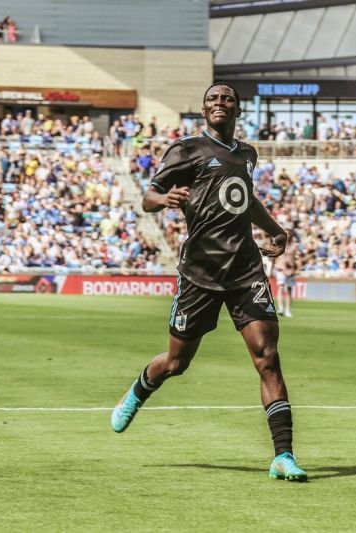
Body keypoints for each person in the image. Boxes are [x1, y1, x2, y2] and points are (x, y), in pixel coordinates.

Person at [110, 82, 307, 482]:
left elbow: (244, 199)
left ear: (237, 109)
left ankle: (283, 456)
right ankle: (139, 390)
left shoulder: (247, 154)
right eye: (213, 99)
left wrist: (275, 228)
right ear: (204, 110)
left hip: (245, 271)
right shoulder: (187, 150)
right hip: (200, 272)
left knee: (267, 356)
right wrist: (163, 200)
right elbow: (149, 195)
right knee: (177, 363)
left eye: (227, 98)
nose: (220, 103)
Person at [273, 238, 298, 317]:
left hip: (291, 270)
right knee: (281, 287)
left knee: (289, 290)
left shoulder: (294, 246)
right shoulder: (279, 245)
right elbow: (275, 258)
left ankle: (288, 310)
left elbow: (297, 258)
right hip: (281, 269)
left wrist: (294, 269)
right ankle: (281, 308)